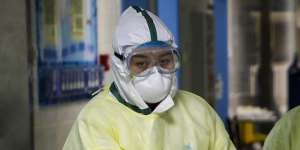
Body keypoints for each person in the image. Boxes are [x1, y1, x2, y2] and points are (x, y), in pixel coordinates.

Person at [63, 6, 236, 150]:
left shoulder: (198, 111)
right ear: (120, 65)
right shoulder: (97, 120)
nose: (156, 72)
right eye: (141, 64)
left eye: (165, 61)